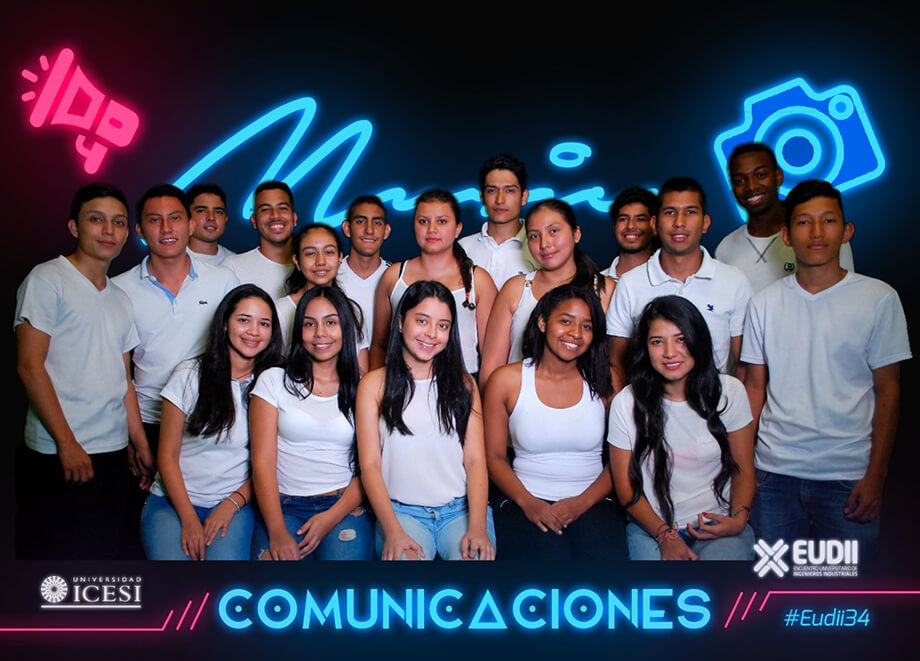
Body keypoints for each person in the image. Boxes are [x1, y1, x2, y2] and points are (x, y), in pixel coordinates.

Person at [741, 180, 910, 557]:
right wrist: (746, 471)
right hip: (773, 475)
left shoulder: (878, 298)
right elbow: (754, 386)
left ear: (847, 231)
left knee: (844, 585)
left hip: (847, 477)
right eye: (804, 222)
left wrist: (877, 475)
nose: (816, 232)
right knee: (774, 582)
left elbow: (889, 390)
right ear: (787, 235)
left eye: (828, 220)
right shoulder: (764, 303)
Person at [15, 183, 153, 559]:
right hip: (61, 451)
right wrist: (67, 443)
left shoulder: (120, 298)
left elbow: (123, 379)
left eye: (118, 222)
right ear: (75, 227)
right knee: (60, 561)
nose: (109, 230)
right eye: (97, 219)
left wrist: (138, 443)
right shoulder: (47, 280)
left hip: (111, 450)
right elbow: (29, 366)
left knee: (105, 553)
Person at [140, 284, 284, 560]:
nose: (254, 331)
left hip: (235, 502)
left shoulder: (275, 381)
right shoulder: (189, 375)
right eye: (244, 320)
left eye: (264, 323)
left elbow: (269, 463)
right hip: (174, 501)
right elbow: (167, 456)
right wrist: (189, 520)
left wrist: (231, 504)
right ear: (225, 324)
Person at [608, 296, 756, 560]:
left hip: (716, 524)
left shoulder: (730, 392)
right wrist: (664, 535)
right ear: (644, 348)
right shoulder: (626, 402)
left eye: (680, 339)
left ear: (697, 340)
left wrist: (738, 519)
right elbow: (626, 488)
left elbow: (743, 468)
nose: (670, 352)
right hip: (652, 527)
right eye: (657, 341)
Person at [485, 284, 624, 560]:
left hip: (593, 501)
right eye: (566, 321)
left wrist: (580, 503)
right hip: (524, 499)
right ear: (542, 322)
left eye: (587, 326)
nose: (576, 333)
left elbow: (621, 460)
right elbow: (494, 457)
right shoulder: (506, 380)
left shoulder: (606, 379)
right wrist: (529, 503)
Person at [357, 280, 495, 560]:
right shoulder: (373, 385)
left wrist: (478, 526)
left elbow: (475, 460)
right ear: (400, 323)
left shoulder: (464, 385)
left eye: (443, 325)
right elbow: (370, 465)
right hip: (401, 514)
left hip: (461, 511)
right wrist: (393, 531)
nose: (432, 333)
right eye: (422, 321)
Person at [251, 286, 375, 560]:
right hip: (282, 506)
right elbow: (262, 463)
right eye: (309, 324)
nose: (320, 333)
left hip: (342, 505)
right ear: (299, 331)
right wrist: (277, 530)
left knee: (345, 585)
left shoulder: (364, 387)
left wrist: (330, 518)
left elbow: (369, 468)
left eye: (330, 323)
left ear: (345, 329)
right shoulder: (274, 380)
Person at [113, 184, 238, 455]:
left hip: (208, 419)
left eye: (175, 218)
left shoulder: (223, 280)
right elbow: (118, 374)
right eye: (154, 220)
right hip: (148, 420)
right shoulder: (119, 289)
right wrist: (136, 440)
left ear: (190, 225)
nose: (166, 228)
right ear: (140, 230)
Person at [606, 178, 752, 391]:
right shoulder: (630, 284)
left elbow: (745, 366)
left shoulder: (733, 281)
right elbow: (616, 363)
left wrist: (735, 409)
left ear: (705, 223)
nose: (679, 222)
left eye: (690, 212)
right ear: (654, 224)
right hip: (649, 406)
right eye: (670, 212)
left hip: (715, 405)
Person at [480, 198, 613, 388]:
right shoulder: (515, 289)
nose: (544, 243)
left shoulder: (604, 290)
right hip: (518, 400)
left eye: (554, 231)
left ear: (576, 234)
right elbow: (491, 369)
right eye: (534, 236)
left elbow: (613, 366)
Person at [370, 190, 497, 377]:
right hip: (401, 384)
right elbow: (379, 345)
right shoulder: (393, 277)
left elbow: (491, 354)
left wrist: (481, 393)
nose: (431, 229)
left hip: (461, 384)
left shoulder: (478, 281)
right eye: (423, 221)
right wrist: (377, 387)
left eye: (442, 221)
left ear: (458, 228)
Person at [715, 143, 854, 292]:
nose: (751, 186)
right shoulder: (725, 248)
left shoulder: (821, 237)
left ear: (778, 176)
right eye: (739, 181)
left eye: (760, 175)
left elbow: (846, 293)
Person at [275, 223, 369, 372]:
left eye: (329, 252)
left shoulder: (352, 310)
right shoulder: (279, 311)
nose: (321, 261)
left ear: (340, 258)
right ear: (297, 261)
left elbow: (361, 372)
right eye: (310, 254)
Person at [458, 154, 535, 289]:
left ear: (524, 197)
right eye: (492, 191)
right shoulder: (462, 248)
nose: (500, 200)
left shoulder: (540, 248)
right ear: (482, 196)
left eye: (509, 191)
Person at [224, 181, 297, 298]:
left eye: (283, 208)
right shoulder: (233, 268)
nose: (275, 215)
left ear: (294, 218)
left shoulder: (317, 266)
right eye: (265, 209)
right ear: (254, 220)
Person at [337, 195, 391, 349]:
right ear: (347, 228)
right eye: (361, 221)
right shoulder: (330, 275)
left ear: (386, 231)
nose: (369, 230)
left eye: (377, 223)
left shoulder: (395, 279)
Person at [601, 186, 658, 281]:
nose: (630, 226)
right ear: (614, 228)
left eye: (640, 219)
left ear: (654, 226)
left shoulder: (670, 279)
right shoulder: (597, 283)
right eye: (623, 219)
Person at [186, 183, 237, 264]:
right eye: (202, 211)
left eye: (218, 212)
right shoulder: (171, 260)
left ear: (225, 219)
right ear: (187, 217)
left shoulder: (236, 263)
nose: (211, 217)